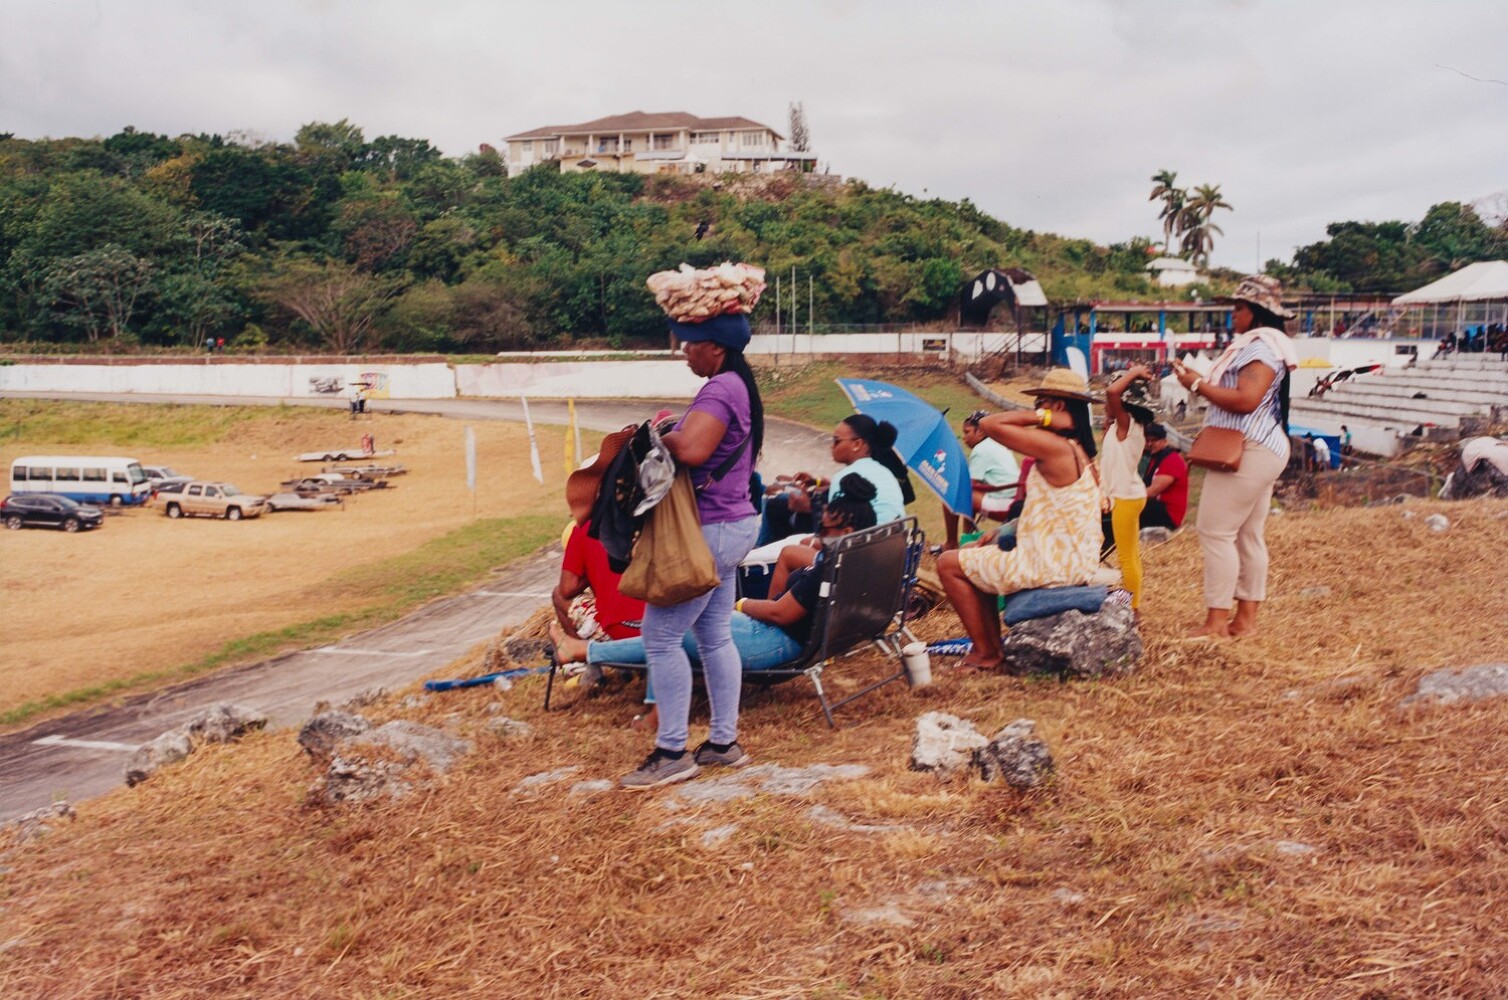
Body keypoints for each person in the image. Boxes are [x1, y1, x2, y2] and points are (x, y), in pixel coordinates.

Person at [622, 311, 762, 790]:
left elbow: (695, 450)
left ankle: (672, 751)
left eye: (690, 344)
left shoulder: (721, 388)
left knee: (660, 637)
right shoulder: (739, 385)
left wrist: (658, 434)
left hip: (709, 531)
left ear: (715, 348)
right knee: (715, 634)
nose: (684, 352)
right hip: (734, 524)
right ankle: (724, 743)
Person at [551, 489, 878, 678]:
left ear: (846, 534)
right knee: (680, 625)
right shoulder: (853, 563)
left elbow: (780, 614)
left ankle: (586, 650)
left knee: (671, 634)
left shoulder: (825, 572)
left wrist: (740, 605)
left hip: (771, 642)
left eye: (825, 531)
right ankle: (593, 653)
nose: (818, 536)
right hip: (779, 636)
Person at [936, 369, 1103, 672]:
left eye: (1042, 402)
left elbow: (988, 424)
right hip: (1072, 560)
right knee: (975, 556)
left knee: (947, 563)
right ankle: (990, 647)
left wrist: (1045, 419)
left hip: (1050, 565)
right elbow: (1053, 511)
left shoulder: (1056, 447)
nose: (1036, 408)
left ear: (1059, 407)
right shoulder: (1080, 452)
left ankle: (987, 653)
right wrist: (1003, 530)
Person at [1171, 274, 1297, 640]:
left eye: (1239, 308)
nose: (1233, 316)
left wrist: (1195, 383)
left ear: (1256, 311)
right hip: (1263, 446)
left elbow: (1246, 401)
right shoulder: (1267, 345)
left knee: (1215, 531)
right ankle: (1243, 622)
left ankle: (1216, 623)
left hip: (1250, 448)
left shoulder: (1259, 348)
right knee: (1247, 535)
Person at [757, 414, 912, 545]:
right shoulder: (883, 471)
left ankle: (757, 562)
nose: (832, 446)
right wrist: (820, 483)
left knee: (775, 503)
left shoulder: (845, 477)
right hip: (890, 544)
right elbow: (863, 499)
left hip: (858, 547)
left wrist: (808, 506)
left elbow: (829, 528)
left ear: (857, 444)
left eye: (837, 441)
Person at [1101, 364, 1156, 614]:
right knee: (1131, 555)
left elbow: (1113, 393)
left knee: (1126, 557)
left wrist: (1133, 372)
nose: (1105, 399)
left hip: (1124, 497)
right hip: (1129, 494)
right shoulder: (1122, 425)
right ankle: (1131, 602)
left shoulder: (1128, 423)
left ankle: (1133, 608)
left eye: (1108, 399)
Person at [942, 410, 1019, 550]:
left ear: (981, 432)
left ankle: (951, 543)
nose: (964, 438)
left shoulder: (981, 449)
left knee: (952, 493)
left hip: (1005, 504)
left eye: (967, 432)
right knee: (967, 493)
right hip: (1014, 501)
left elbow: (968, 487)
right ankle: (965, 539)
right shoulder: (999, 444)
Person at [1139, 423, 1188, 531]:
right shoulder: (1155, 457)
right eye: (1147, 440)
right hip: (1157, 506)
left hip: (1169, 513)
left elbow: (1152, 491)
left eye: (1154, 440)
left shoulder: (1172, 460)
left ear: (1164, 440)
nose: (1150, 444)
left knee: (1130, 509)